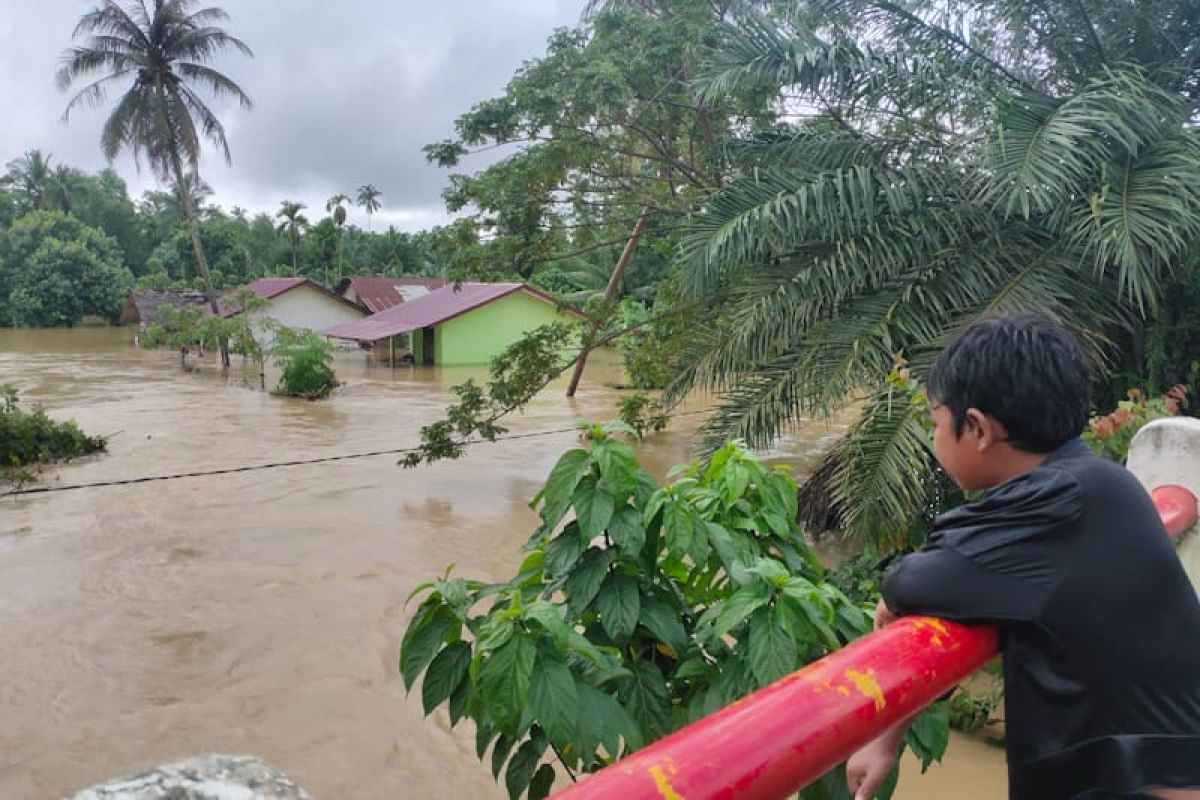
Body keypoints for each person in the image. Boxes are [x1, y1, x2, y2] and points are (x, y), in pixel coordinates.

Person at [845, 314, 1200, 800]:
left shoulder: (1049, 510)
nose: (934, 442)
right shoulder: (1101, 486)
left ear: (977, 429)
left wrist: (880, 735)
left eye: (935, 423)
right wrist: (888, 739)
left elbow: (906, 587)